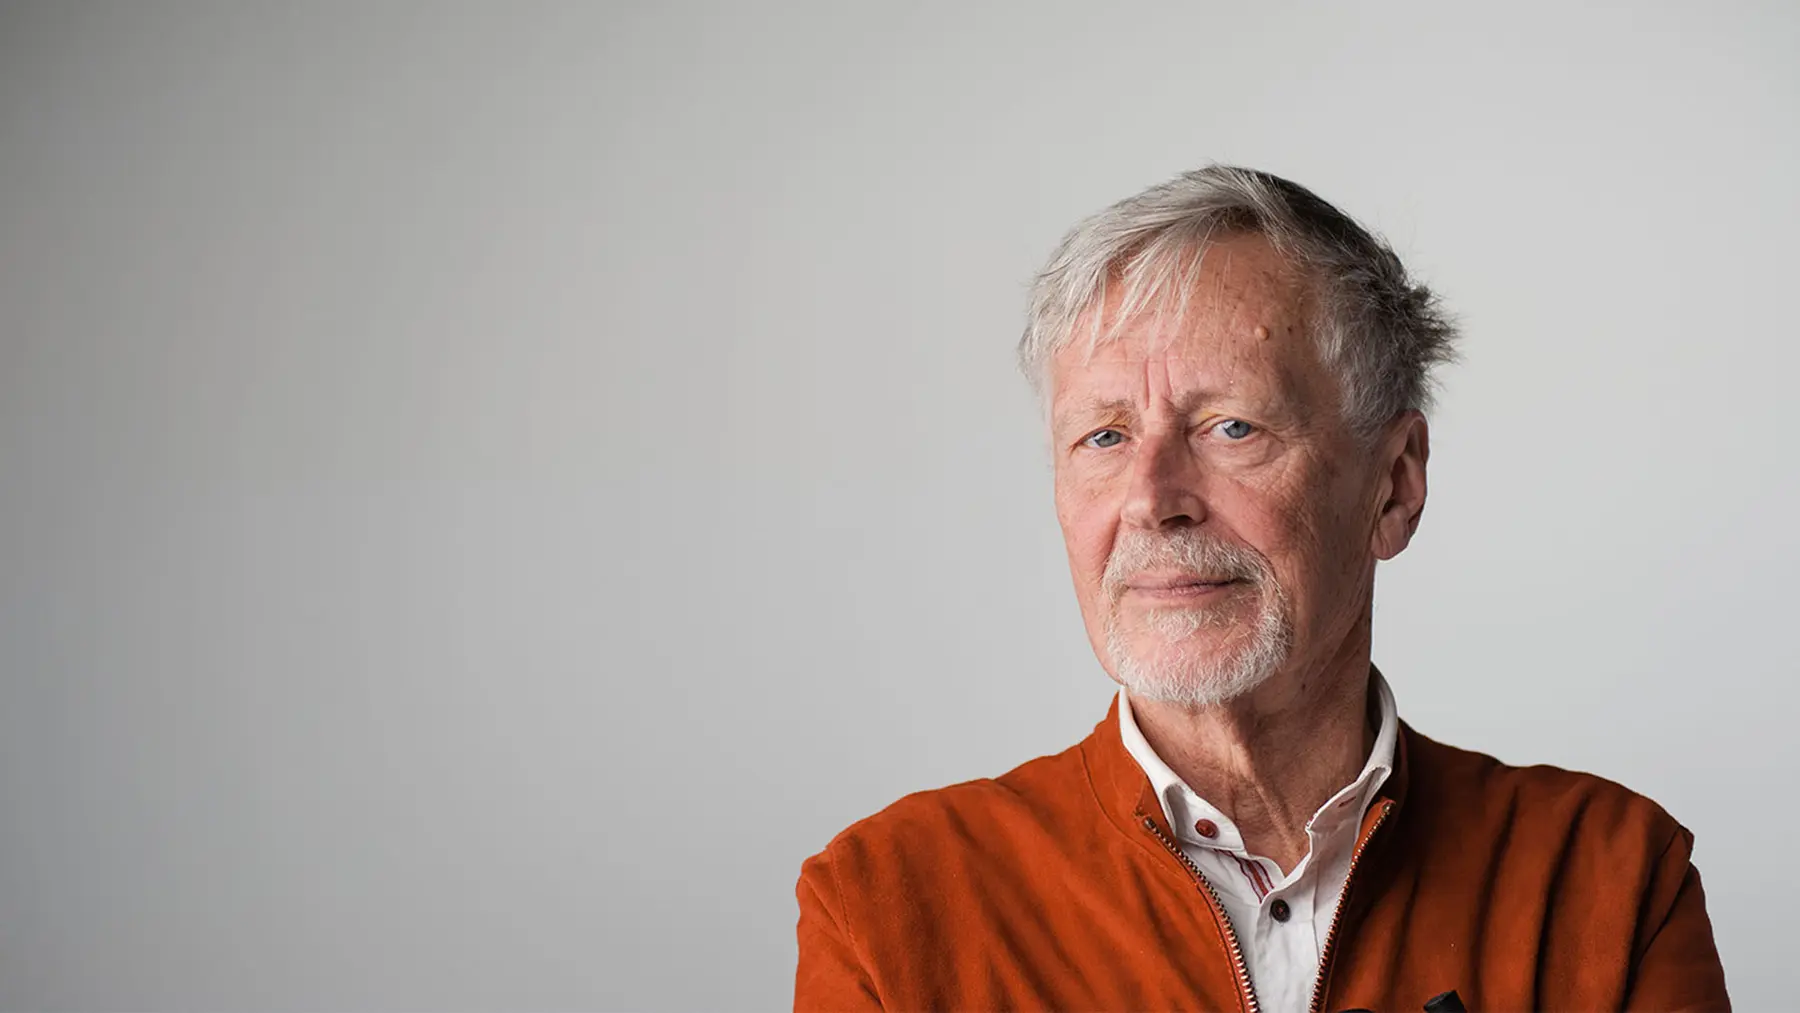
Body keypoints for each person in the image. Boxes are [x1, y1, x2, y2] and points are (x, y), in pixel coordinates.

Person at [791, 165, 1730, 1012]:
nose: (1152, 500)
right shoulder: (886, 907)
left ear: (1394, 484)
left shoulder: (1609, 881)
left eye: (1230, 427)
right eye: (1104, 437)